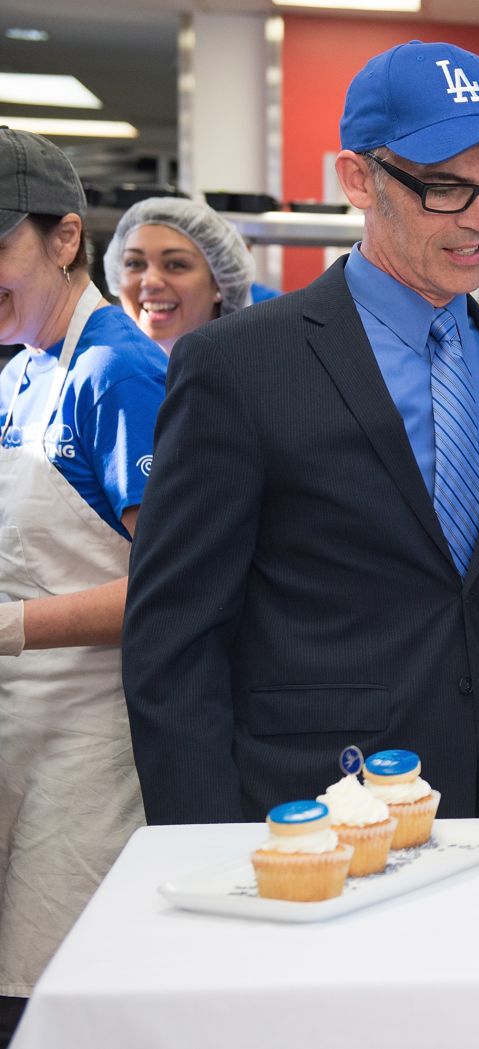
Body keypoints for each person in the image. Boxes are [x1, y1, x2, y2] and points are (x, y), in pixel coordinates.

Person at [122, 41, 479, 827]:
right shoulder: (240, 365)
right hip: (301, 812)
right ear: (359, 178)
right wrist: (199, 844)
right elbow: (173, 639)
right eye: (444, 188)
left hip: (470, 803)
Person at [0, 129, 167, 1035]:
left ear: (64, 239)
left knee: (59, 998)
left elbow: (165, 589)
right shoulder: (21, 368)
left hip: (91, 754)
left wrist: (9, 626)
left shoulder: (117, 371)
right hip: (21, 736)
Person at [104, 196, 255, 353]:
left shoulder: (253, 374)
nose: (150, 282)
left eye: (175, 265)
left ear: (219, 283)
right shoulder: (102, 369)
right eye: (134, 263)